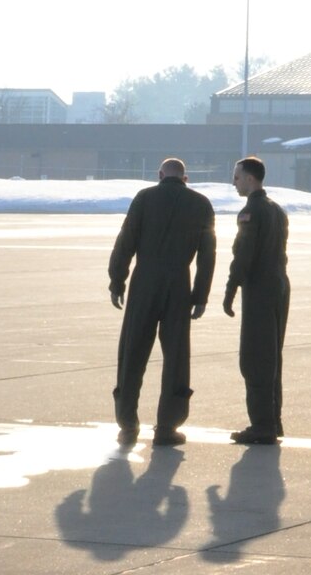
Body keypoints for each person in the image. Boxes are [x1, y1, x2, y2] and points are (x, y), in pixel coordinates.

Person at [108, 156, 216, 446]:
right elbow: (207, 255)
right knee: (176, 357)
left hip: (144, 283)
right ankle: (167, 426)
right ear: (186, 178)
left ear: (159, 175)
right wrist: (201, 295)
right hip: (179, 284)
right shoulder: (201, 204)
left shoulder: (144, 198)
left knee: (132, 353)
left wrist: (117, 280)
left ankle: (128, 424)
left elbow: (126, 240)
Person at [223, 155, 290, 444]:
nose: (234, 182)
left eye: (237, 176)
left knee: (255, 358)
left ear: (250, 179)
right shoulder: (278, 211)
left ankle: (262, 425)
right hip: (279, 286)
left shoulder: (251, 211)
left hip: (260, 289)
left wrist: (230, 290)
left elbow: (244, 255)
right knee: (272, 356)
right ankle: (273, 420)